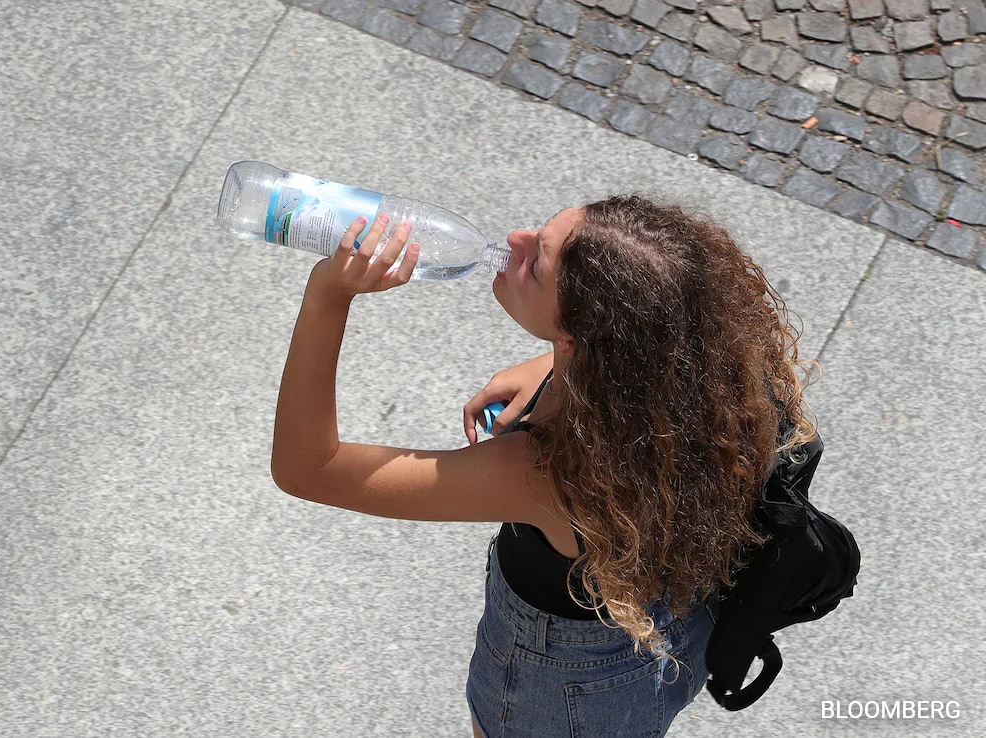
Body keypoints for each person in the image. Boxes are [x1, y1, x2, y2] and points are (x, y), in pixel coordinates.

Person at [271, 194, 819, 737]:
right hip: (670, 629)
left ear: (580, 341)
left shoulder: (541, 473)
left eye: (535, 262)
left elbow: (308, 469)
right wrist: (548, 367)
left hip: (559, 693)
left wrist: (328, 297)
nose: (515, 241)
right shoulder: (720, 378)